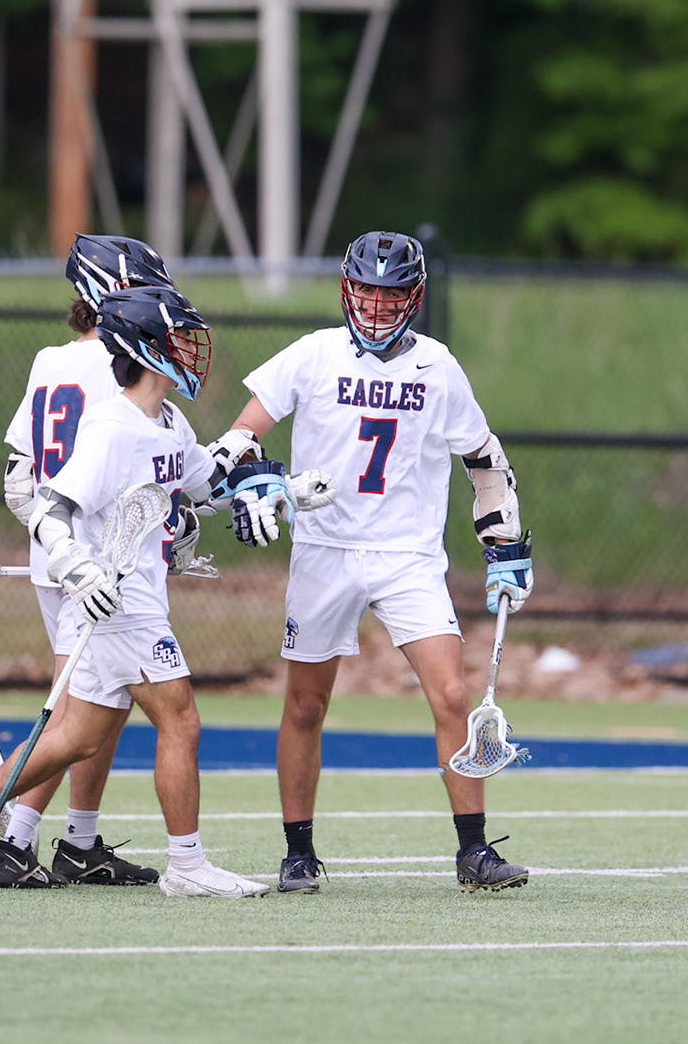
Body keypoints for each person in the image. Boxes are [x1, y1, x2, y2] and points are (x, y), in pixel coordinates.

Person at [0, 285, 270, 898]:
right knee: (181, 718)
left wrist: (275, 487)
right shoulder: (111, 427)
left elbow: (200, 483)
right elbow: (49, 509)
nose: (190, 349)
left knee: (75, 737)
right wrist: (78, 572)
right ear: (146, 348)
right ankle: (187, 865)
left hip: (134, 601)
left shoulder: (168, 420)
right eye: (177, 338)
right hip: (118, 604)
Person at [220, 230, 533, 894]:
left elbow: (484, 458)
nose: (378, 305)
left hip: (407, 554)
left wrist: (503, 544)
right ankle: (298, 852)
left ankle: (474, 851)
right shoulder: (314, 353)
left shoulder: (437, 366)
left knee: (452, 694)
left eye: (392, 295)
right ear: (346, 288)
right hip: (325, 548)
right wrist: (250, 476)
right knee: (306, 704)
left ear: (414, 297)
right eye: (367, 291)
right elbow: (241, 435)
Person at [0, 235, 177, 888]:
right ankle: (7, 837)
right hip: (95, 566)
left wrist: (54, 542)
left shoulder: (50, 359)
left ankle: (79, 841)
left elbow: (19, 479)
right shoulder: (123, 364)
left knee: (105, 702)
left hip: (63, 554)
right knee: (75, 714)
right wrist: (101, 545)